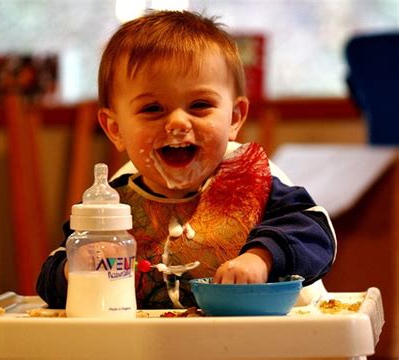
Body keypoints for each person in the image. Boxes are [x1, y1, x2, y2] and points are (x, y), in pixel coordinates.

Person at [37, 10, 336, 309]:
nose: (178, 122)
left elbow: (315, 233)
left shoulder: (254, 183)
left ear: (234, 118)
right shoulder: (112, 207)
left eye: (200, 105)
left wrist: (261, 257)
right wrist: (75, 268)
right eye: (153, 108)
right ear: (115, 129)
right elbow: (49, 276)